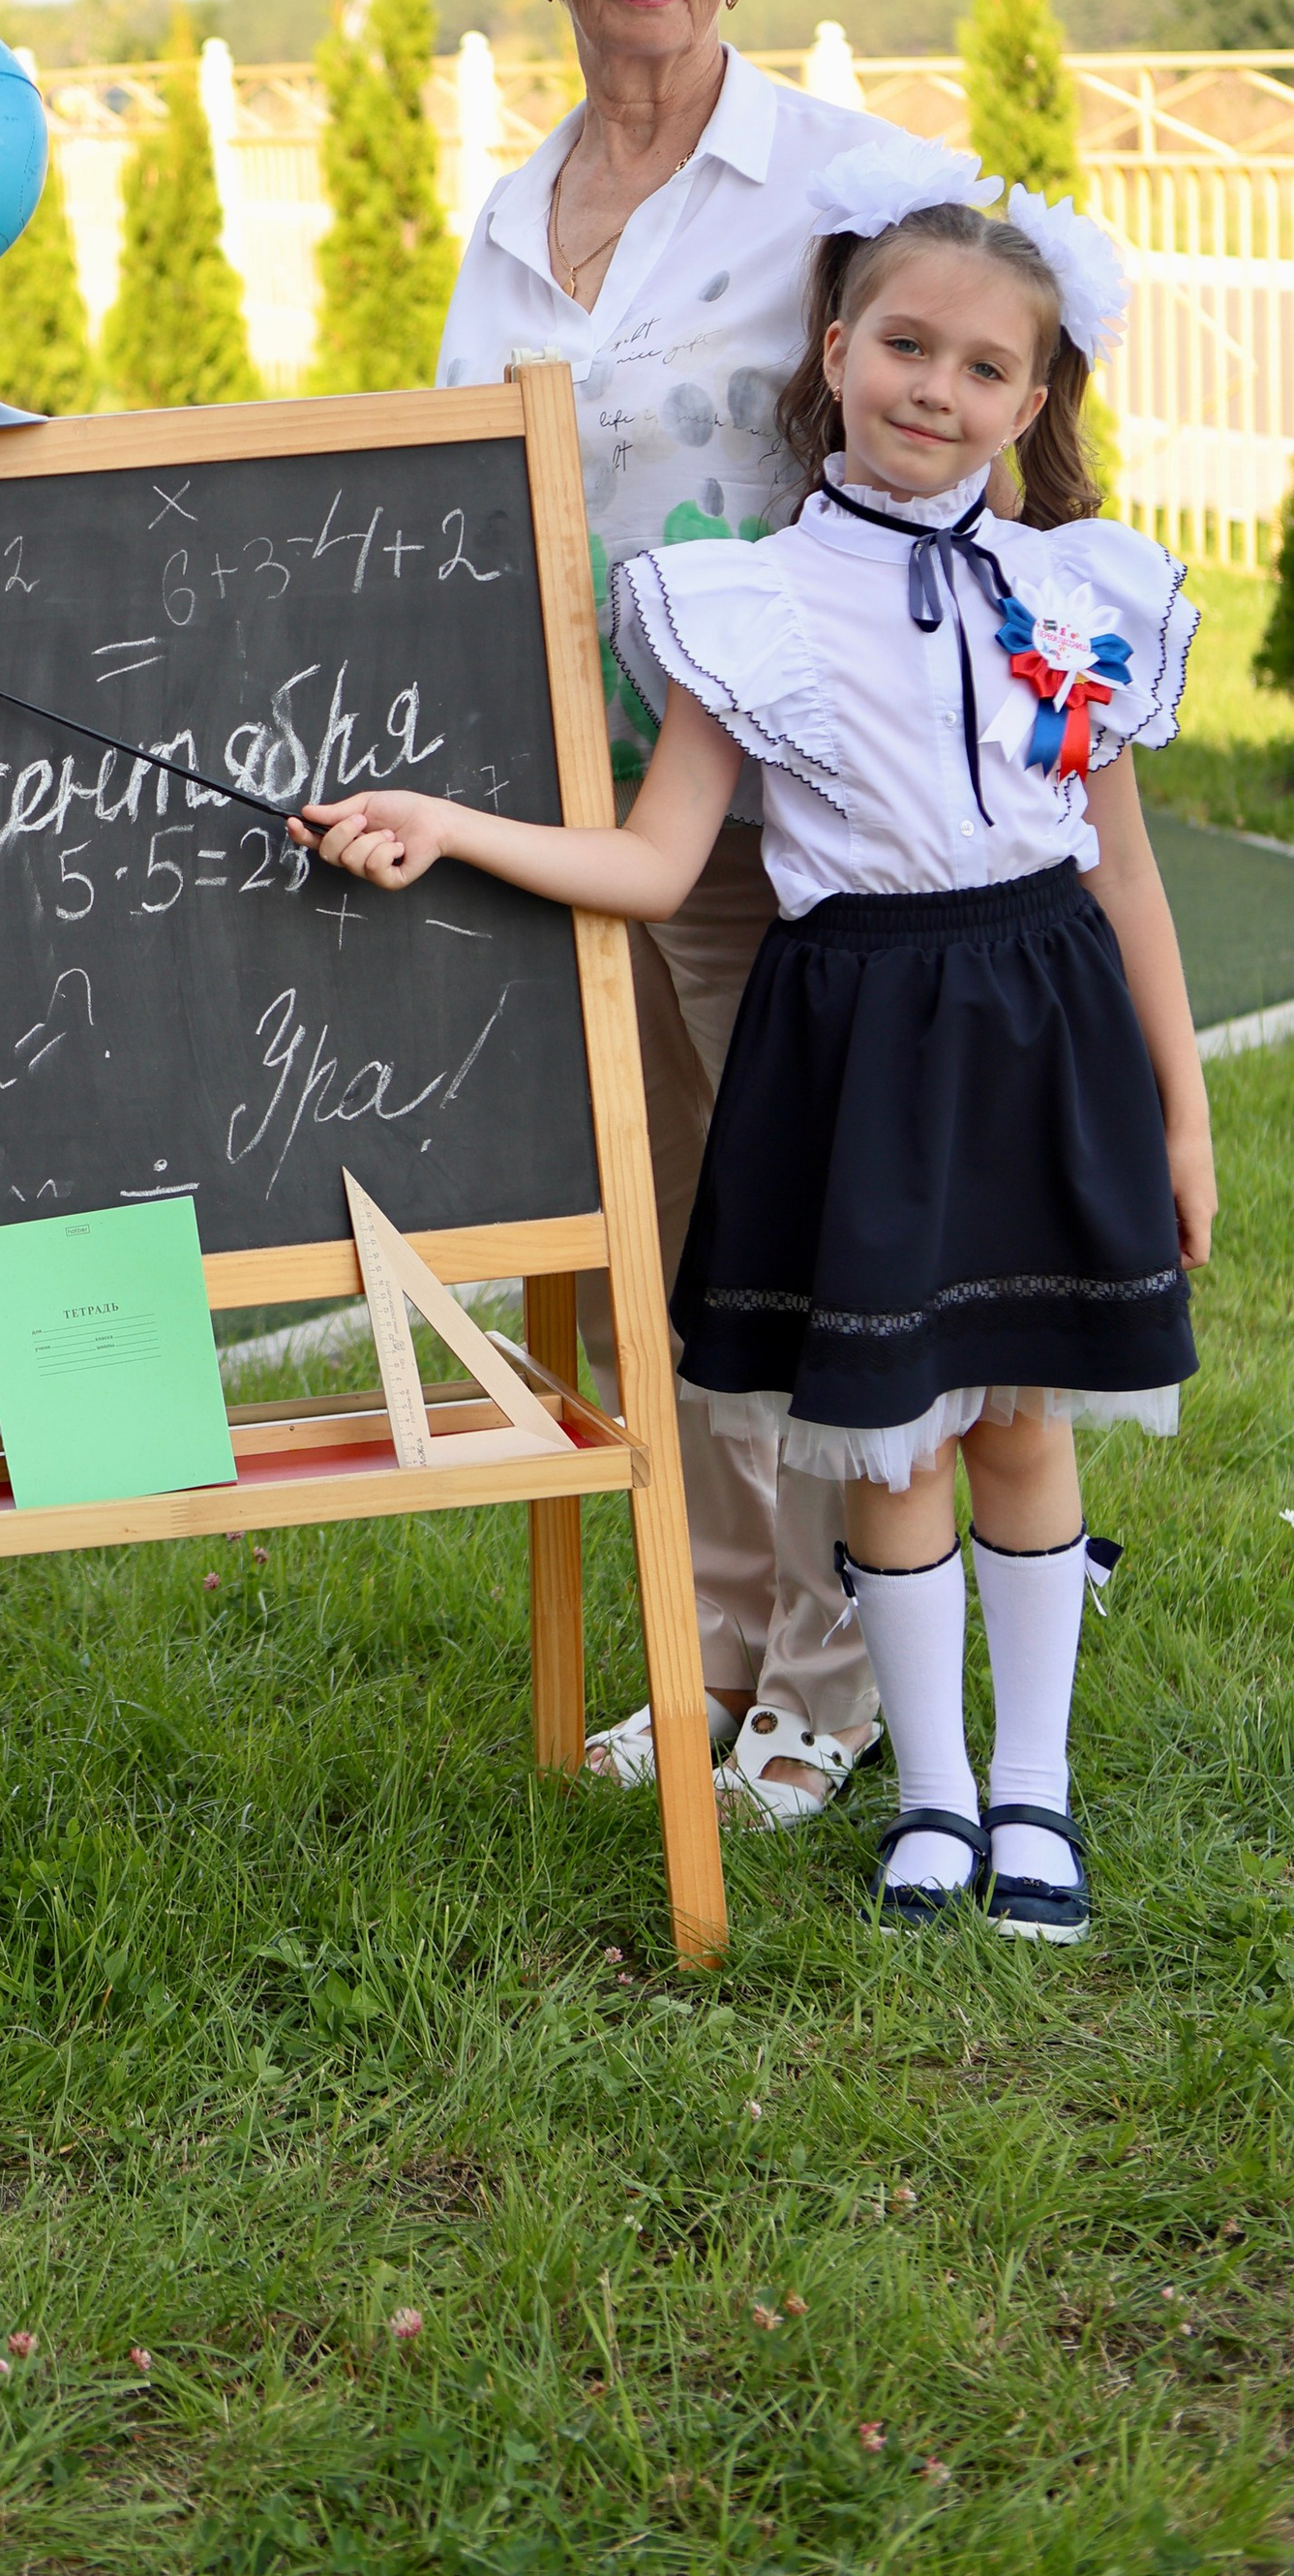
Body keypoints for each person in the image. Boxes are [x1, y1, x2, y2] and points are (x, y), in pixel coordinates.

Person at [304, 136, 1210, 1938]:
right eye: (905, 345)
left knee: (1024, 1420)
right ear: (837, 349)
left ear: (1034, 399)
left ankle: (1031, 1790)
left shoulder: (1078, 594)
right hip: (860, 1046)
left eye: (984, 366)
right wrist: (453, 824)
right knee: (894, 1437)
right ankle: (931, 1797)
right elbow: (655, 862)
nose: (935, 389)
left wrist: (1179, 1119)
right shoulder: (747, 601)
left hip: (1043, 1043)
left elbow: (1122, 878)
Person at [436, 0, 884, 1820]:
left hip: (784, 817)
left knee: (794, 1251)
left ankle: (830, 1681)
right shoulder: (506, 218)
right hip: (575, 818)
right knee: (656, 1245)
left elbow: (969, 419)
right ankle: (709, 1648)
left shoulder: (834, 185)